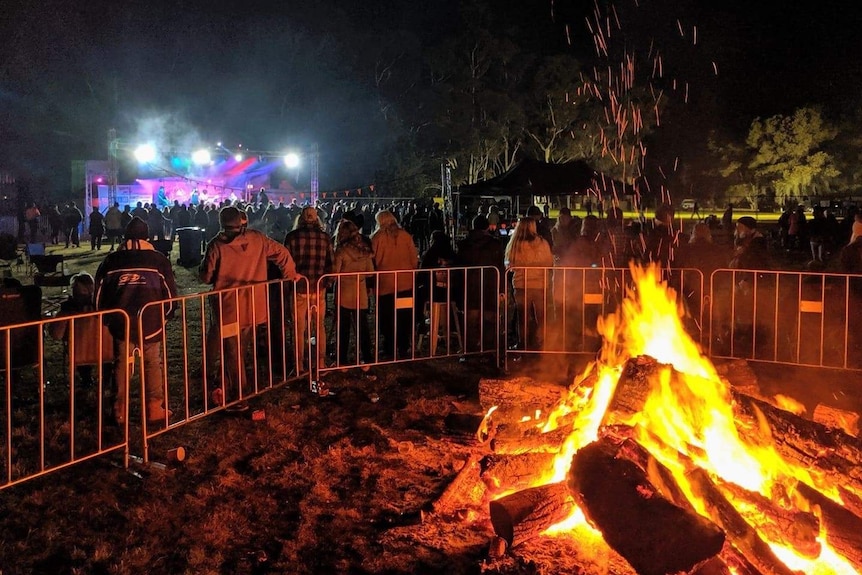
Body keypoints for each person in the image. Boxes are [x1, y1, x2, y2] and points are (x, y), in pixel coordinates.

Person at [200, 206, 298, 404]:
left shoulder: (216, 245)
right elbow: (282, 253)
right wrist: (291, 275)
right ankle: (226, 386)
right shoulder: (257, 238)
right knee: (239, 349)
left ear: (221, 223)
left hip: (229, 307)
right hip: (254, 304)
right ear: (241, 221)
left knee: (233, 351)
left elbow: (206, 276)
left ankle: (239, 395)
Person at [95, 217, 178, 425]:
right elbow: (170, 294)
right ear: (147, 236)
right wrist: (165, 316)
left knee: (121, 364)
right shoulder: (158, 259)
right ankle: (154, 407)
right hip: (151, 322)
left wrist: (106, 318)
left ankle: (119, 409)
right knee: (152, 363)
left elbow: (98, 294)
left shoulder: (111, 260)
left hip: (120, 323)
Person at [283, 206, 334, 371]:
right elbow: (330, 263)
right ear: (316, 218)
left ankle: (299, 365)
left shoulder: (292, 237)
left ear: (301, 218)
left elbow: (286, 263)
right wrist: (327, 282)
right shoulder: (325, 238)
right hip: (318, 287)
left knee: (299, 328)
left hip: (299, 287)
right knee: (319, 326)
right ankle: (320, 362)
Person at [371, 210, 419, 360]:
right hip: (405, 284)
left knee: (387, 318)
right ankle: (404, 347)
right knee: (404, 316)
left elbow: (374, 260)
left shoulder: (377, 238)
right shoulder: (405, 236)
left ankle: (389, 348)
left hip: (385, 285)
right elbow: (414, 259)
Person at [49, 273, 112, 387]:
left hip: (80, 352)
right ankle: (106, 379)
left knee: (81, 343)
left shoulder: (68, 309)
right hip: (106, 351)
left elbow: (56, 334)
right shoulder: (107, 307)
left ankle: (86, 379)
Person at [456, 214, 504, 353]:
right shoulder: (495, 244)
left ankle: (470, 349)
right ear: (487, 227)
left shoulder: (464, 244)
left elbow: (459, 267)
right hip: (489, 285)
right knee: (489, 318)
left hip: (470, 286)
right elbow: (500, 267)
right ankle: (488, 348)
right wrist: (501, 289)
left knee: (471, 319)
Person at [505, 216, 554, 351]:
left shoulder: (516, 244)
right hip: (539, 284)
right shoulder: (542, 243)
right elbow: (549, 262)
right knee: (541, 316)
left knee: (523, 317)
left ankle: (523, 343)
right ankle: (542, 342)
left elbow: (510, 263)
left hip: (521, 284)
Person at [333, 219, 374, 370]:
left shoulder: (341, 251)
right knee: (362, 327)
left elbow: (335, 271)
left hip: (344, 290)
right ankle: (367, 359)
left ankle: (342, 360)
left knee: (343, 328)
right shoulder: (364, 250)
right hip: (360, 290)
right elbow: (370, 272)